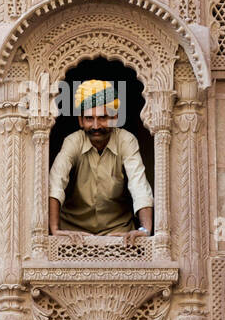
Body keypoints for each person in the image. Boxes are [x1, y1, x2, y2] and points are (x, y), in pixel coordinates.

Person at [48, 80, 154, 246]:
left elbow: (138, 184)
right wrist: (55, 230)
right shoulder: (72, 142)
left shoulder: (126, 141)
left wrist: (145, 230)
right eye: (89, 118)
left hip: (118, 234)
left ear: (115, 118)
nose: (96, 126)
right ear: (81, 121)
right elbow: (56, 182)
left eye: (103, 117)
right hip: (74, 233)